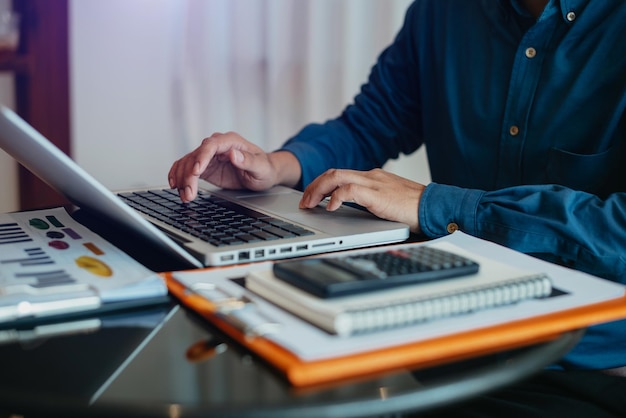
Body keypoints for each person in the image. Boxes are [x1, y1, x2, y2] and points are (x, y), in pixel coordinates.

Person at [169, 0, 626, 416]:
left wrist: (435, 203)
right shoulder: (441, 12)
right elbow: (371, 123)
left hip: (587, 365)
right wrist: (275, 166)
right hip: (441, 334)